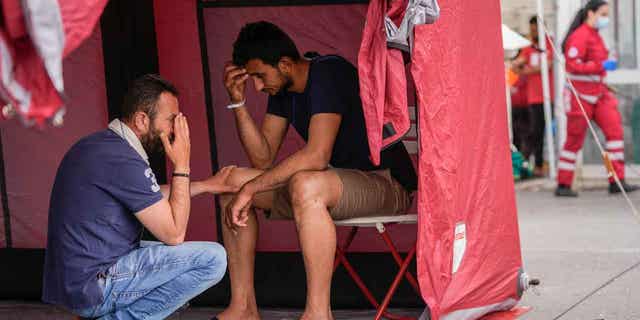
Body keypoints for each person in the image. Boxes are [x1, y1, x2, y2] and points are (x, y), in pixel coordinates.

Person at [218, 21, 417, 320]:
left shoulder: (328, 72)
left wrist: (252, 188)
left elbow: (317, 155)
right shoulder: (283, 90)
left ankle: (318, 314)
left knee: (304, 184)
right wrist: (238, 104)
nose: (257, 86)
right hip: (339, 186)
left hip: (386, 184)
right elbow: (262, 160)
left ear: (285, 64)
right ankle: (244, 308)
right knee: (231, 185)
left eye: (260, 76)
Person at [42, 74, 235, 319]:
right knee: (212, 259)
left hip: (75, 283)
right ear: (142, 120)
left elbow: (148, 198)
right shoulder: (122, 158)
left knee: (174, 269)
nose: (176, 129)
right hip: (94, 285)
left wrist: (207, 186)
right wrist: (182, 164)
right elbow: (174, 233)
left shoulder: (100, 145)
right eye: (171, 120)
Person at [555, 0, 638, 197]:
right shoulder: (579, 36)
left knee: (615, 133)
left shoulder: (596, 36)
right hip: (580, 96)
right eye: (603, 14)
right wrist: (601, 66)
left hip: (599, 94)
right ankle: (563, 184)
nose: (606, 19)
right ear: (590, 14)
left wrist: (605, 66)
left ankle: (616, 180)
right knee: (574, 140)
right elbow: (573, 65)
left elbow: (597, 63)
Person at [512, 16, 554, 177]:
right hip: (533, 98)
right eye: (532, 29)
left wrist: (525, 71)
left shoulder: (549, 45)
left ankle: (540, 163)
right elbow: (518, 63)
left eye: (536, 29)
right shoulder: (529, 47)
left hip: (547, 96)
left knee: (543, 132)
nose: (533, 32)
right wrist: (516, 66)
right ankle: (536, 164)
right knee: (535, 132)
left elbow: (546, 66)